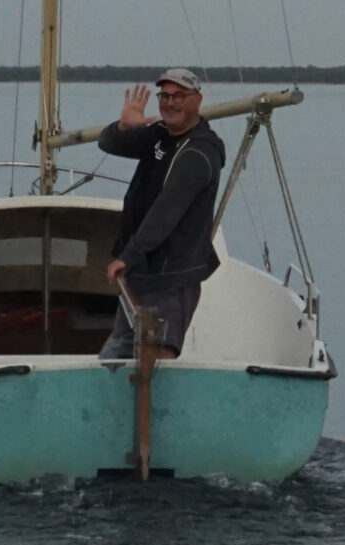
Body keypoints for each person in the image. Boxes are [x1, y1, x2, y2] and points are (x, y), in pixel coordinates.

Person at [97, 68, 226, 360]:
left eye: (179, 96)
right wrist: (124, 125)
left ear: (197, 100)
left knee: (156, 357)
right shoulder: (160, 136)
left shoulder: (198, 153)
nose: (170, 103)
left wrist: (126, 257)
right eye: (164, 96)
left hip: (171, 277)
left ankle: (155, 406)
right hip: (143, 272)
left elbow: (165, 214)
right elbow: (108, 144)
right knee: (113, 359)